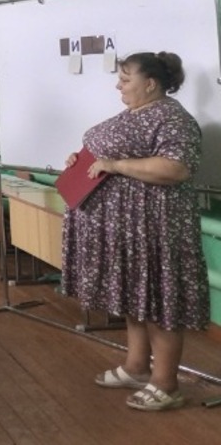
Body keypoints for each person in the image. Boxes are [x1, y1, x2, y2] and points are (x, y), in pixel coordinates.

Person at [61, 51, 209, 412]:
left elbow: (176, 169)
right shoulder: (135, 114)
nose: (119, 85)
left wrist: (114, 165)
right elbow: (104, 152)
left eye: (126, 79)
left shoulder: (173, 118)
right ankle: (137, 367)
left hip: (155, 229)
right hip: (127, 229)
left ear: (151, 84)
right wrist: (80, 162)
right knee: (136, 297)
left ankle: (166, 384)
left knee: (158, 302)